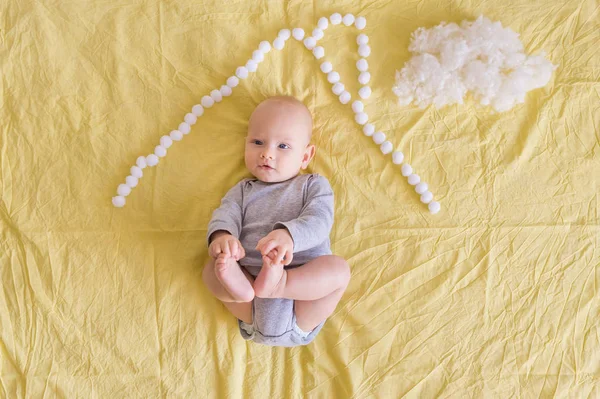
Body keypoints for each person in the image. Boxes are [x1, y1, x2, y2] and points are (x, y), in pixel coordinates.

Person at [202, 96, 351, 347]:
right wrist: (222, 238)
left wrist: (289, 236)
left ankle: (281, 284)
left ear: (306, 156)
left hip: (300, 304)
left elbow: (319, 220)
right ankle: (238, 289)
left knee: (338, 270)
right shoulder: (242, 190)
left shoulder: (313, 185)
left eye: (283, 146)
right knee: (209, 269)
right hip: (250, 299)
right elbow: (225, 213)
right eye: (258, 142)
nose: (267, 154)